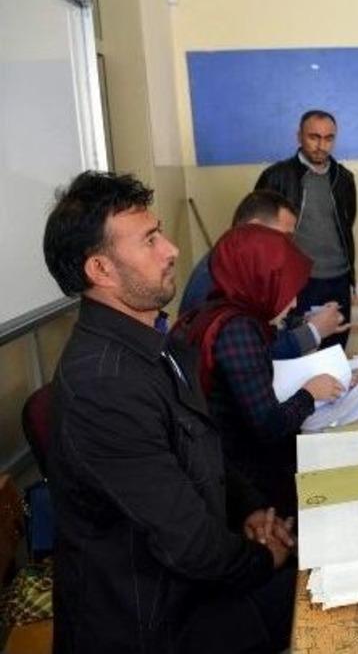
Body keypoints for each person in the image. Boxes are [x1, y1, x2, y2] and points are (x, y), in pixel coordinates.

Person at [43, 171, 296, 653]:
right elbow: (189, 545)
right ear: (101, 270)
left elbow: (205, 451)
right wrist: (267, 556)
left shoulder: (155, 343)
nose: (172, 249)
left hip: (191, 586)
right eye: (150, 240)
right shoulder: (104, 386)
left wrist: (253, 511)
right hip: (155, 622)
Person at [174, 224, 345, 515]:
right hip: (244, 479)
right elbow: (269, 425)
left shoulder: (219, 311)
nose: (292, 303)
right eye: (284, 290)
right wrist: (310, 392)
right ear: (258, 281)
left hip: (228, 466)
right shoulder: (238, 330)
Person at [178, 189, 348, 358]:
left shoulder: (239, 269)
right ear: (255, 227)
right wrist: (313, 332)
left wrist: (305, 321)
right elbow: (252, 353)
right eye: (284, 238)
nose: (289, 247)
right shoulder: (213, 280)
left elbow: (262, 326)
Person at [255, 109, 356, 351]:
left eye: (329, 138)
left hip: (338, 279)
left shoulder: (343, 178)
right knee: (297, 349)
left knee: (335, 347)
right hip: (297, 281)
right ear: (298, 137)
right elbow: (257, 233)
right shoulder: (276, 177)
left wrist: (349, 279)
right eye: (314, 137)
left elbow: (347, 223)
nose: (321, 146)